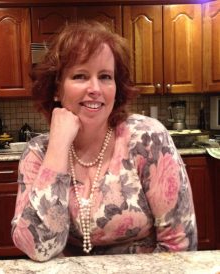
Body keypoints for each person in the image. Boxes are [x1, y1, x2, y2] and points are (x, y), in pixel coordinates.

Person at [11, 21, 197, 262]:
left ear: (116, 87)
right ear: (56, 88)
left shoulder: (147, 139)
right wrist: (58, 146)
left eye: (105, 77)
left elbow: (179, 243)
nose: (95, 89)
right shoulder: (38, 152)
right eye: (80, 76)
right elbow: (37, 248)